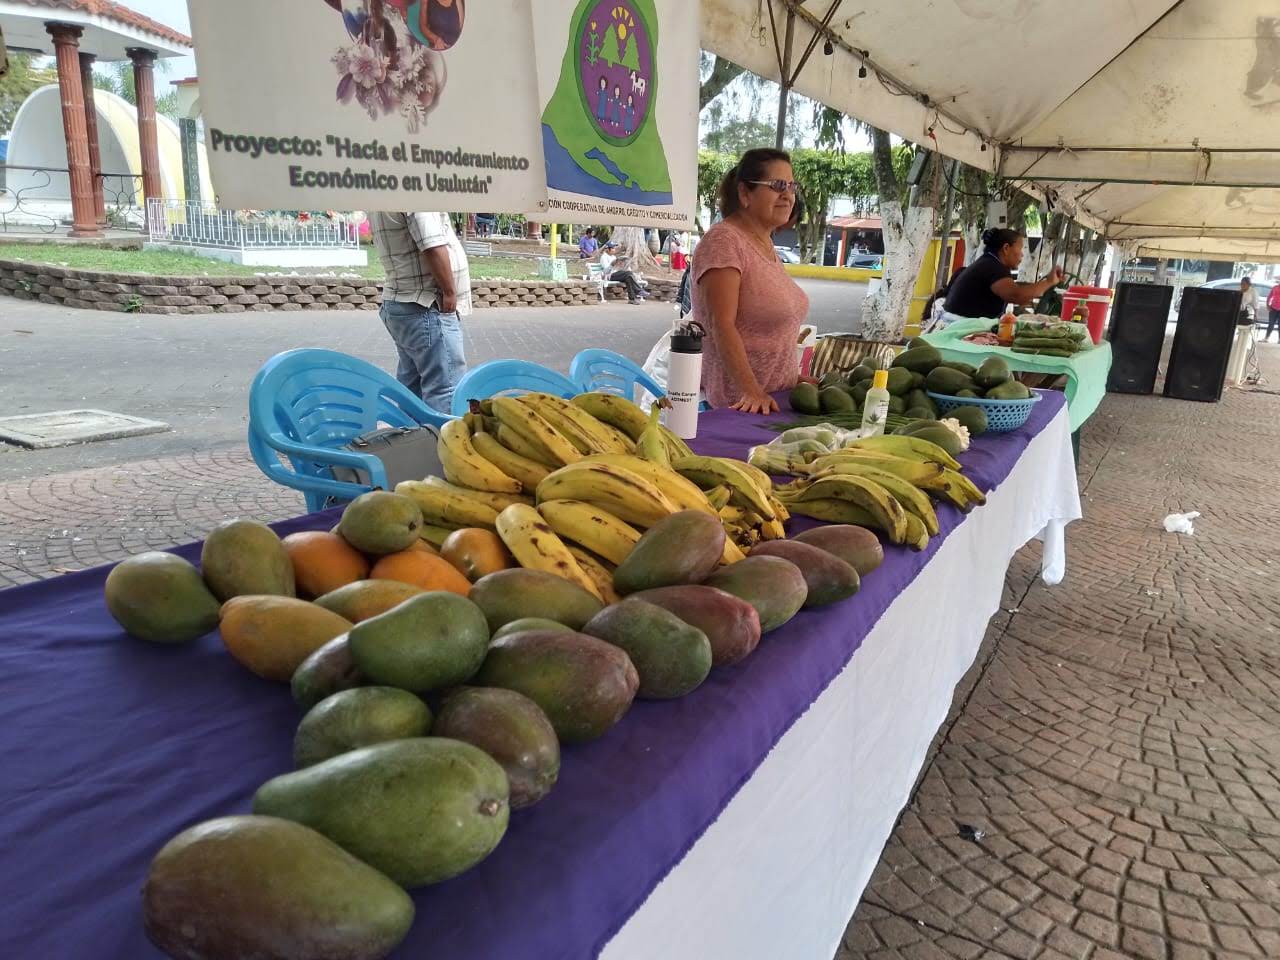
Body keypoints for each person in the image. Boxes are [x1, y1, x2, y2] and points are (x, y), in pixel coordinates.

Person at [691, 147, 810, 413]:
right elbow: (720, 324)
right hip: (740, 406)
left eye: (792, 186)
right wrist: (750, 390)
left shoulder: (764, 243)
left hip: (777, 398)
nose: (788, 195)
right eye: (778, 185)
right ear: (745, 193)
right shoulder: (724, 242)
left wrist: (792, 378)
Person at [370, 211, 471, 413]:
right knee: (446, 390)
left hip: (403, 302)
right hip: (425, 302)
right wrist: (449, 292)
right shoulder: (414, 191)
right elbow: (432, 244)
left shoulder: (383, 191)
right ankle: (440, 444)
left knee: (412, 388)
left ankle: (415, 441)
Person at [943, 228, 1064, 320]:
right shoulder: (994, 267)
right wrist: (1048, 282)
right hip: (959, 329)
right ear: (1006, 248)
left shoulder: (989, 262)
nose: (1022, 254)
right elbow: (1016, 296)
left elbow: (1016, 289)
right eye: (1020, 249)